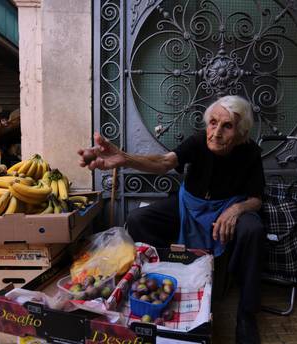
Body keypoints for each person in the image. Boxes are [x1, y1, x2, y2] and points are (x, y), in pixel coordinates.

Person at [78, 95, 265, 344]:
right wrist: (124, 158)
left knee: (253, 229)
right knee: (139, 219)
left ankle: (246, 315)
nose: (216, 132)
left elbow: (256, 198)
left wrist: (237, 209)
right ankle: (163, 281)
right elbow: (165, 162)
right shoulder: (198, 141)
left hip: (227, 208)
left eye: (227, 126)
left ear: (241, 133)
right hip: (188, 206)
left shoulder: (250, 152)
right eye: (212, 123)